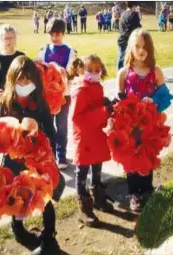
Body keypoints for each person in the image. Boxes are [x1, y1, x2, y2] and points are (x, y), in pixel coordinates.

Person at [0, 56, 63, 255]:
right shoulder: (6, 101)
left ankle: (49, 233)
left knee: (44, 194)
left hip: (37, 157)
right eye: (20, 81)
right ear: (12, 79)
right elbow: (0, 128)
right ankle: (18, 228)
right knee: (16, 194)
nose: (25, 85)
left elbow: (49, 129)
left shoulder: (40, 100)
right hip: (14, 158)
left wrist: (49, 151)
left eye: (29, 80)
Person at [115, 28, 173, 212]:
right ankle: (134, 194)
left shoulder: (155, 72)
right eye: (137, 46)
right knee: (132, 158)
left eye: (145, 47)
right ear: (130, 48)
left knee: (147, 155)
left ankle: (146, 189)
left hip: (150, 125)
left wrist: (154, 102)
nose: (141, 50)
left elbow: (165, 97)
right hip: (130, 128)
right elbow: (120, 102)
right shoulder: (124, 73)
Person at [70, 54, 114, 227]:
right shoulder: (80, 90)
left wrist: (106, 105)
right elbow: (77, 118)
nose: (94, 73)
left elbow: (95, 106)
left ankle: (98, 198)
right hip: (85, 138)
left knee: (97, 167)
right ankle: (84, 208)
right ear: (81, 69)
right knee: (81, 172)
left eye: (97, 70)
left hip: (96, 134)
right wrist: (102, 112)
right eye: (89, 70)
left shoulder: (97, 87)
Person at [37, 18, 77, 170]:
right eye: (52, 34)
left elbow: (70, 70)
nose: (55, 37)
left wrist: (59, 72)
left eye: (58, 34)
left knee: (61, 126)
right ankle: (50, 154)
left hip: (64, 94)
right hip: (47, 96)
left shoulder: (69, 50)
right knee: (47, 126)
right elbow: (39, 68)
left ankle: (61, 155)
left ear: (63, 33)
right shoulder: (44, 49)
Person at [0, 24, 25, 101]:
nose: (8, 41)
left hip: (19, 97)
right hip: (3, 98)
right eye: (6, 38)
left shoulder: (21, 56)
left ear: (15, 38)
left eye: (11, 38)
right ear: (1, 39)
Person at [117, 1, 142, 71]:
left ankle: (120, 74)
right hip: (130, 39)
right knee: (133, 58)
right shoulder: (134, 14)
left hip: (121, 38)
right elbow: (138, 28)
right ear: (134, 5)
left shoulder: (123, 14)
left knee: (121, 58)